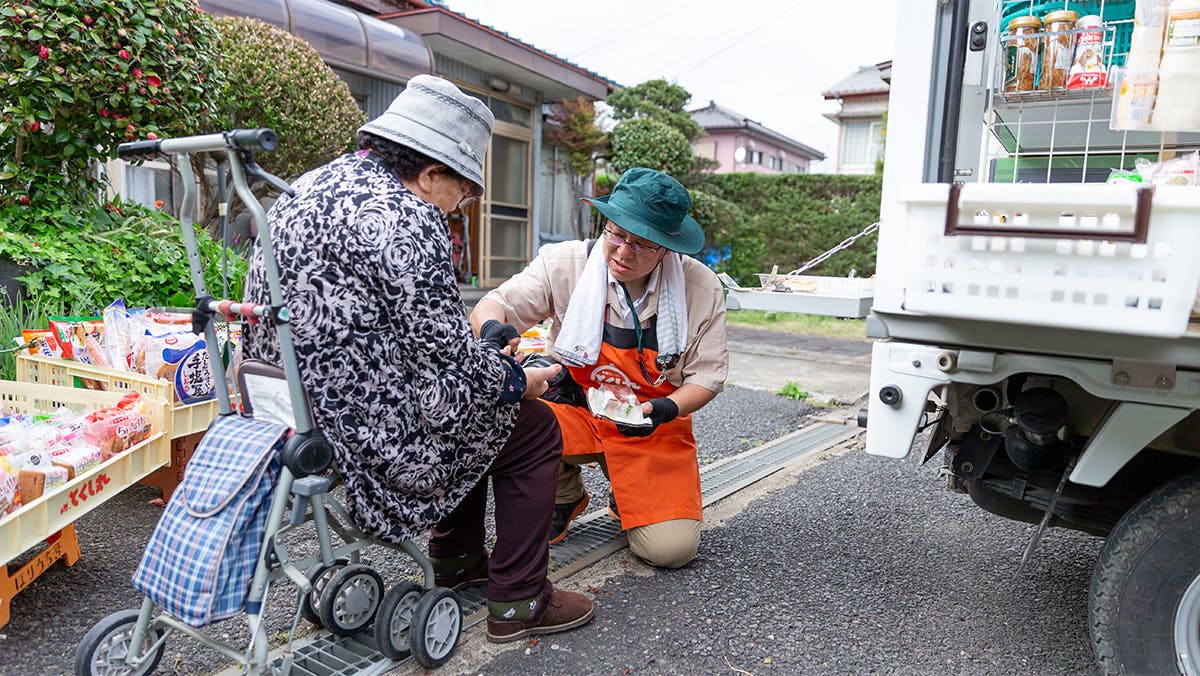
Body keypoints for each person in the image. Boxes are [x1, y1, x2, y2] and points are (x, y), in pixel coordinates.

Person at [241, 75, 593, 643]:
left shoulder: (303, 190)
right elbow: (450, 366)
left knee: (479, 409)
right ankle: (521, 600)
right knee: (530, 426)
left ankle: (456, 560)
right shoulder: (406, 217)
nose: (464, 205)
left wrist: (481, 359)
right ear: (431, 174)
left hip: (290, 416)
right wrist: (521, 379)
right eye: (465, 190)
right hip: (369, 441)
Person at [470, 167, 729, 569]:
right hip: (578, 406)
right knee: (511, 411)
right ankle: (564, 494)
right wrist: (491, 328)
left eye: (642, 244)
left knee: (669, 551)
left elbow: (707, 377)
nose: (623, 252)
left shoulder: (700, 288)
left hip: (653, 424)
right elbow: (496, 302)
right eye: (616, 234)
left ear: (667, 248)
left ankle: (628, 492)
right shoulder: (566, 262)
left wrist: (664, 410)